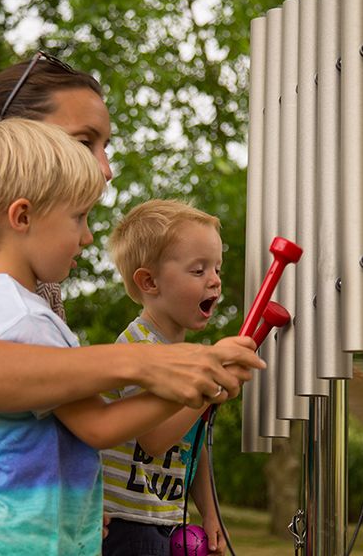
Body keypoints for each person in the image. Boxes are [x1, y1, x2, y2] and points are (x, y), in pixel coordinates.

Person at [0, 51, 263, 553]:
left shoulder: (38, 283)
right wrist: (153, 363)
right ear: (16, 138)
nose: (107, 168)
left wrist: (58, 501)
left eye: (105, 145)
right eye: (85, 142)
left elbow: (7, 422)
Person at [0, 118, 219, 554]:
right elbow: (100, 426)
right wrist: (199, 380)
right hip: (30, 542)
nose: (88, 236)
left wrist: (78, 499)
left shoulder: (1, 308)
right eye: (79, 217)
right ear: (22, 216)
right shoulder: (25, 324)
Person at [102, 199, 231, 556]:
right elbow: (154, 439)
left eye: (217, 268)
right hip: (126, 523)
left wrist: (209, 513)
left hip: (165, 518)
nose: (215, 280)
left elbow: (193, 442)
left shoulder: (188, 358)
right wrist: (209, 387)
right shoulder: (138, 349)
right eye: (198, 270)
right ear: (150, 282)